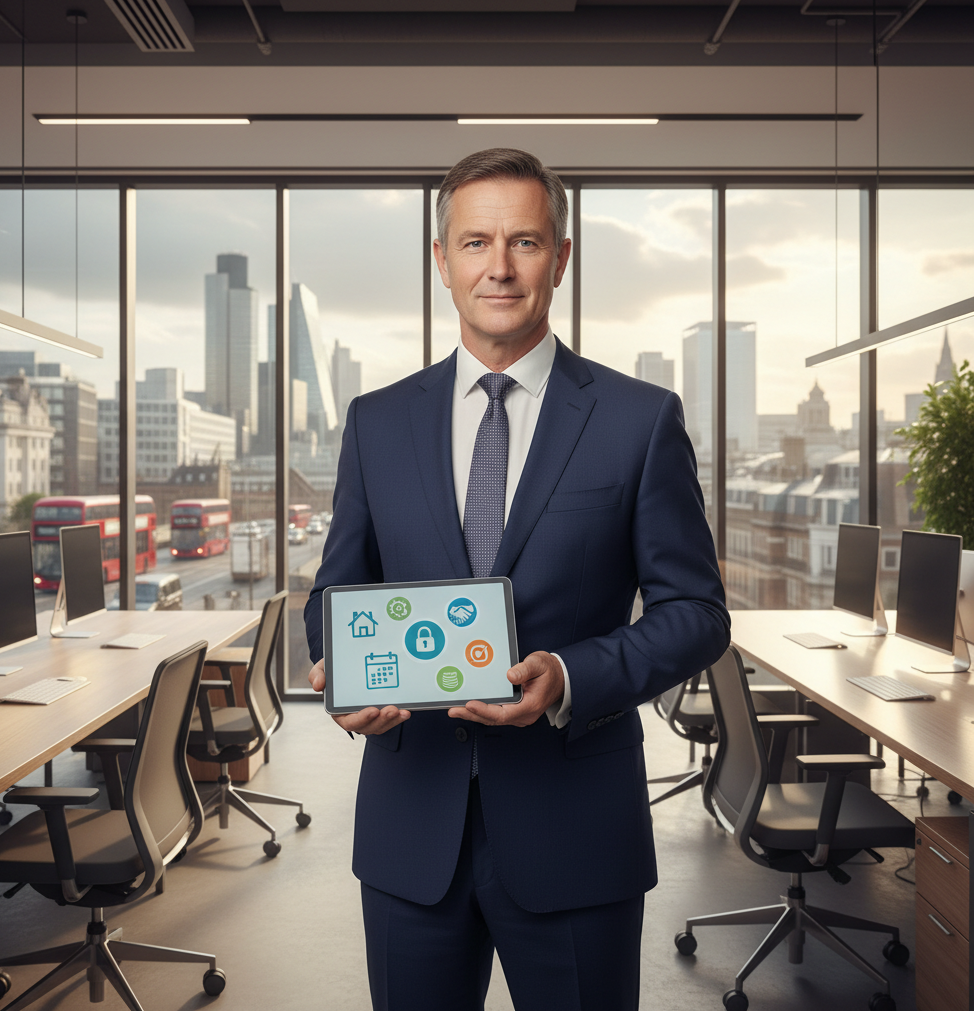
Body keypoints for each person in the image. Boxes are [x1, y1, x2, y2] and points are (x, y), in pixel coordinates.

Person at [304, 147, 729, 1011]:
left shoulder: (640, 421)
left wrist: (572, 676)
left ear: (561, 259)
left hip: (576, 828)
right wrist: (338, 667)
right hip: (410, 825)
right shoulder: (376, 422)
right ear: (441, 261)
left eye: (525, 242)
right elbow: (335, 589)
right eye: (475, 243)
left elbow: (696, 613)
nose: (498, 267)